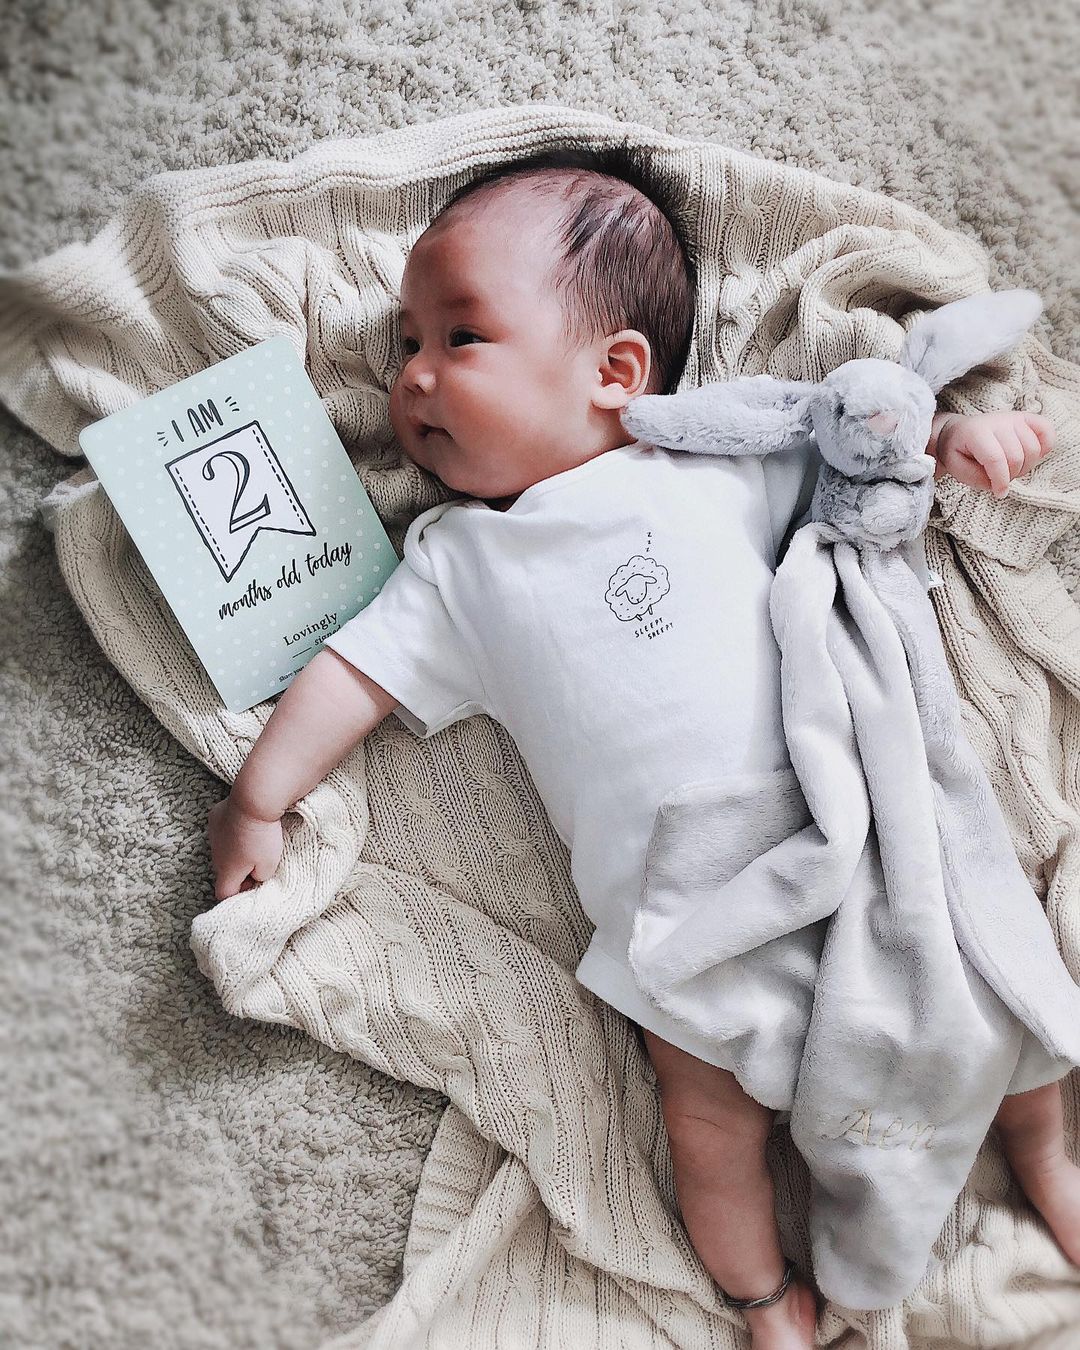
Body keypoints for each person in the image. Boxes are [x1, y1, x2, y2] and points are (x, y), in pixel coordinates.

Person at [207, 144, 1075, 1349]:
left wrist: (955, 450)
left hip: (849, 829)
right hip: (681, 904)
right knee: (704, 1120)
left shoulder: (715, 468)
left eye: (458, 339)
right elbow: (350, 676)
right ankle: (766, 1299)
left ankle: (1045, 1157)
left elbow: (866, 470)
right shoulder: (460, 564)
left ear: (619, 370)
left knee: (994, 995)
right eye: (404, 344)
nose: (410, 377)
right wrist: (262, 795)